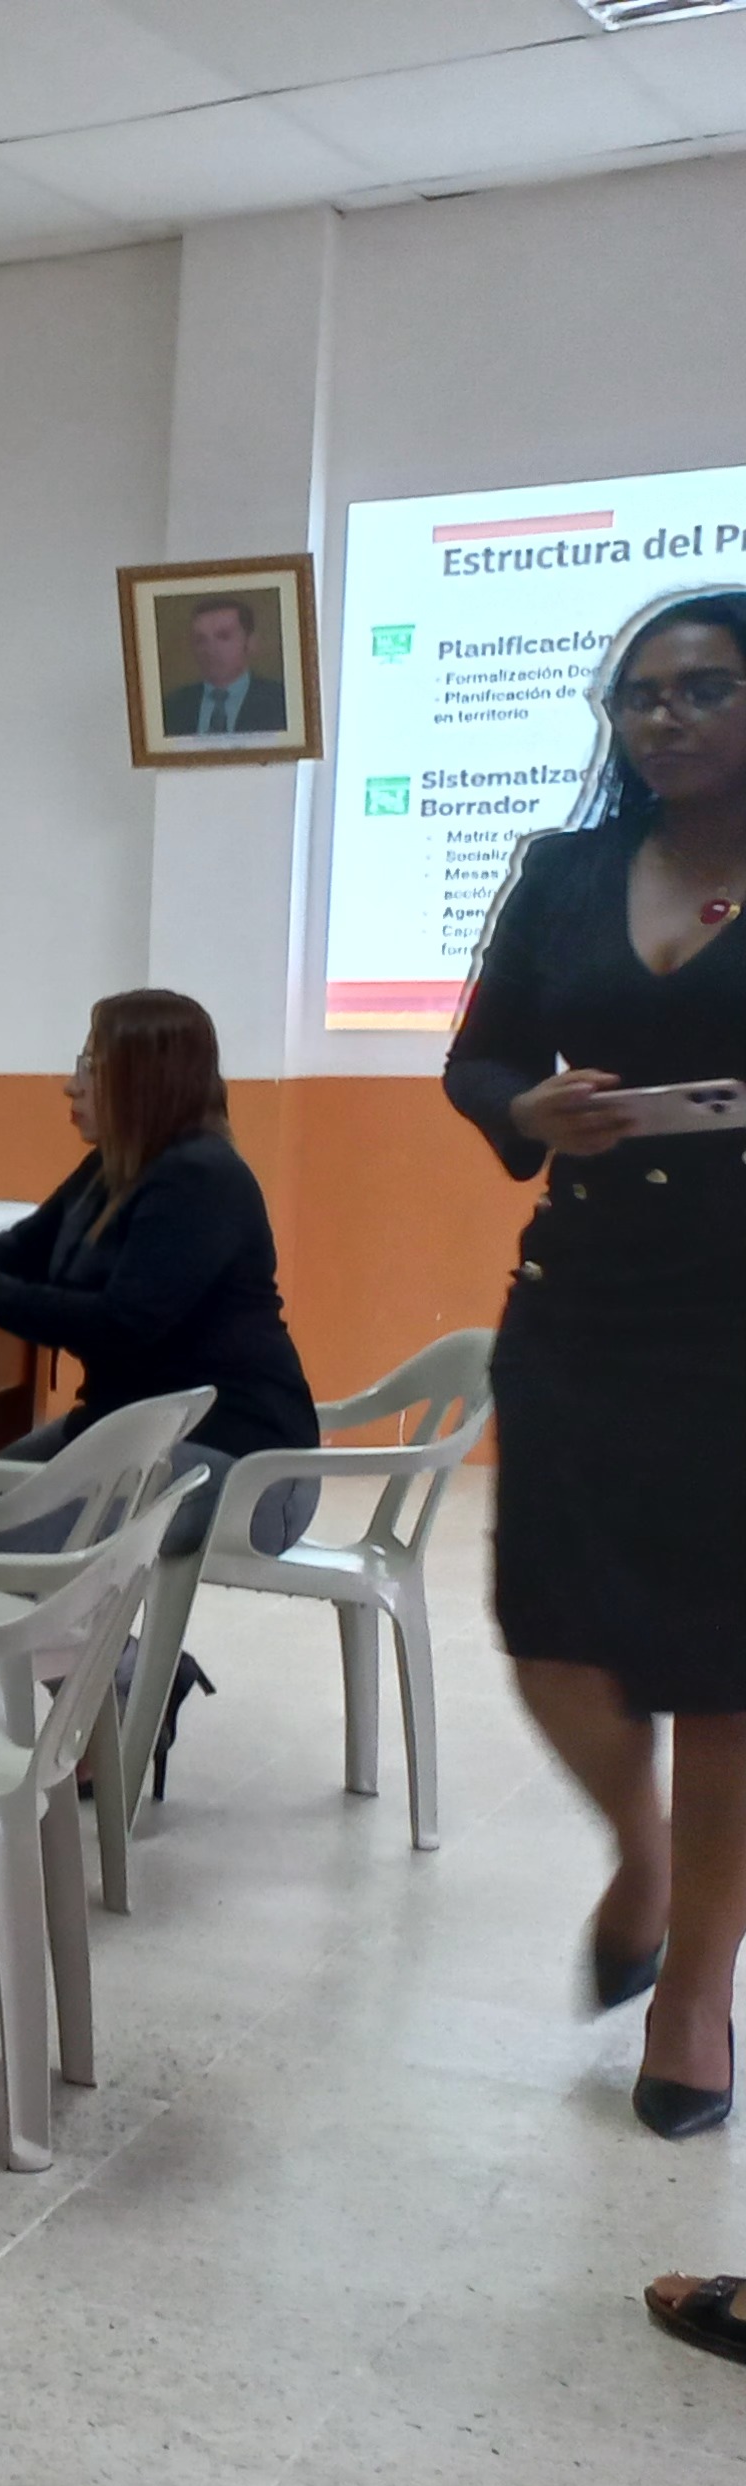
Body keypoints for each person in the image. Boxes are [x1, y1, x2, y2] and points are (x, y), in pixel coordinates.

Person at [443, 586, 746, 2142]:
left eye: (702, 688)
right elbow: (480, 1055)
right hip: (584, 1295)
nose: (664, 716)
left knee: (726, 1669)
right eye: (639, 694)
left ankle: (697, 1989)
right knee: (549, 1629)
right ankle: (643, 1854)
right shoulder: (562, 870)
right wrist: (524, 1110)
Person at [0, 990, 318, 1560]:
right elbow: (21, 1248)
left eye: (91, 1068)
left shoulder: (202, 1178)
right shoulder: (111, 1169)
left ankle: (99, 1629)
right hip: (131, 1431)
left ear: (146, 1079)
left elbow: (122, 1324)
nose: (71, 1086)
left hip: (238, 1462)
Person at [159, 597, 288, 741]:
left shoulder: (281, 702)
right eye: (201, 640)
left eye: (223, 637)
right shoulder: (172, 707)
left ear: (250, 642)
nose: (210, 650)